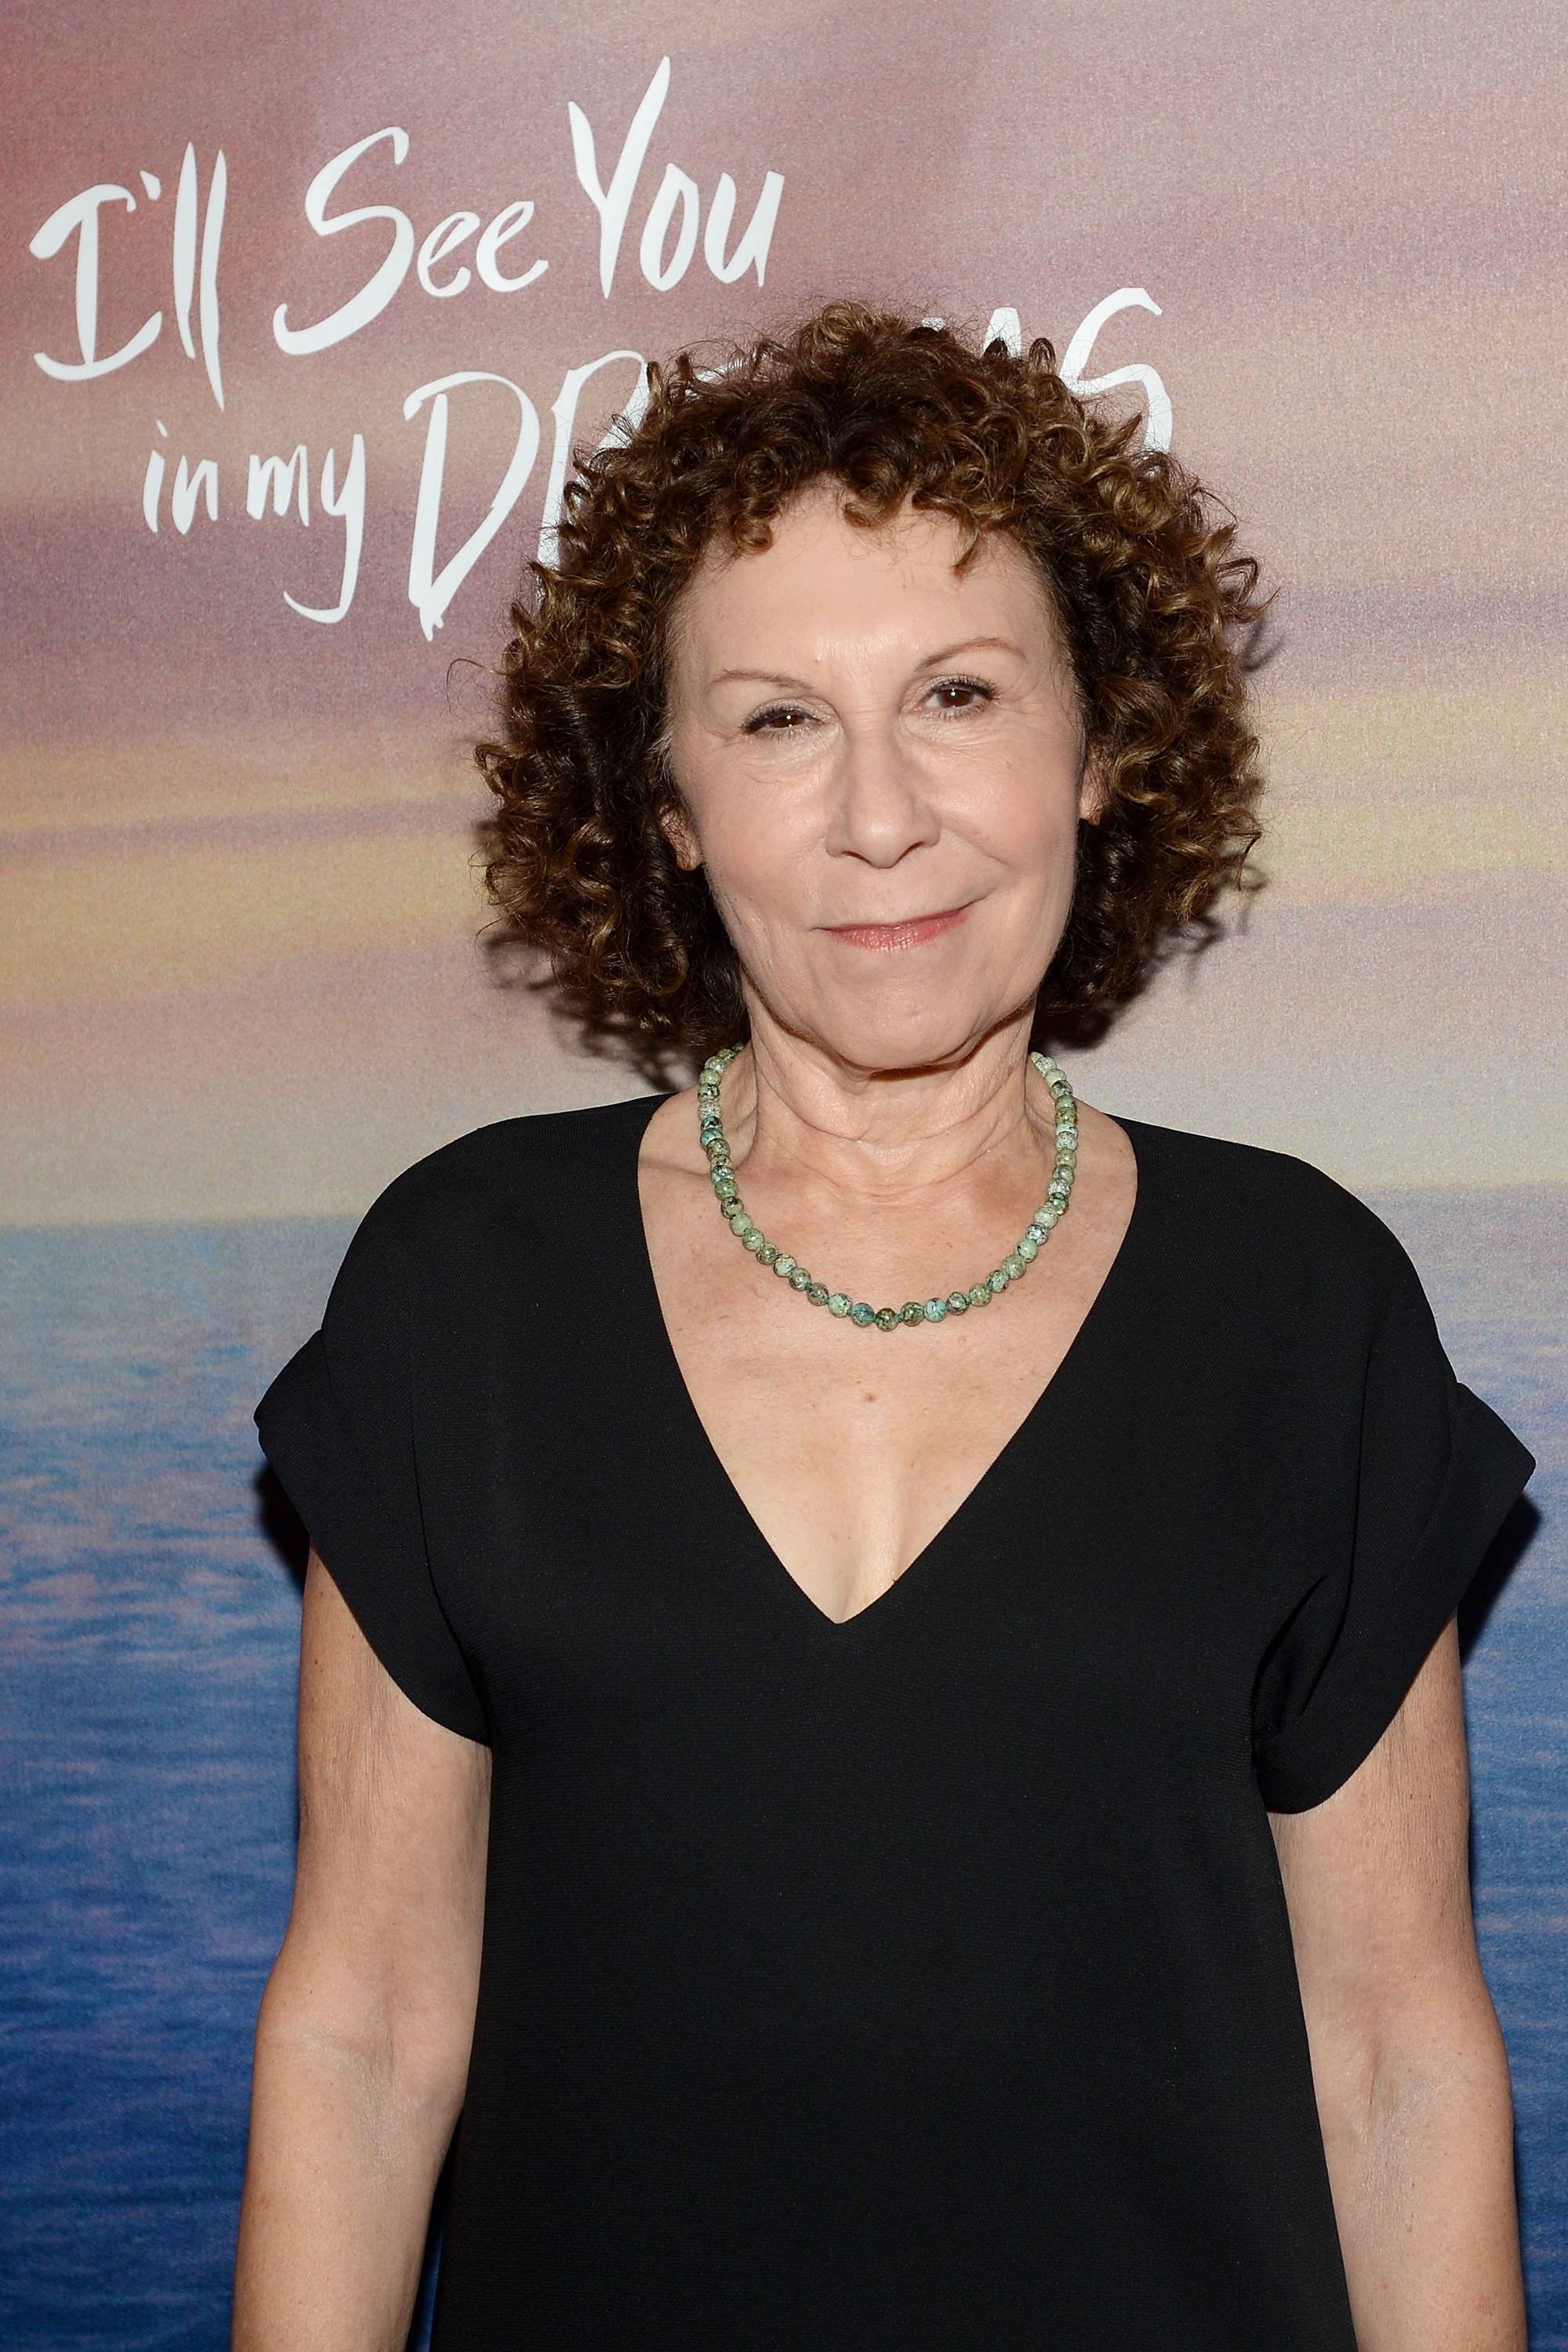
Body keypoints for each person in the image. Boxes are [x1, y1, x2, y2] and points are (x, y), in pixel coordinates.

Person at [235, 305, 1534, 2350]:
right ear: (660, 799)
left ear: (1101, 742)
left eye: (956, 693)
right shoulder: (455, 1291)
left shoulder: (1308, 1304)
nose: (878, 815)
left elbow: (1400, 2058)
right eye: (773, 720)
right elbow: (369, 2027)